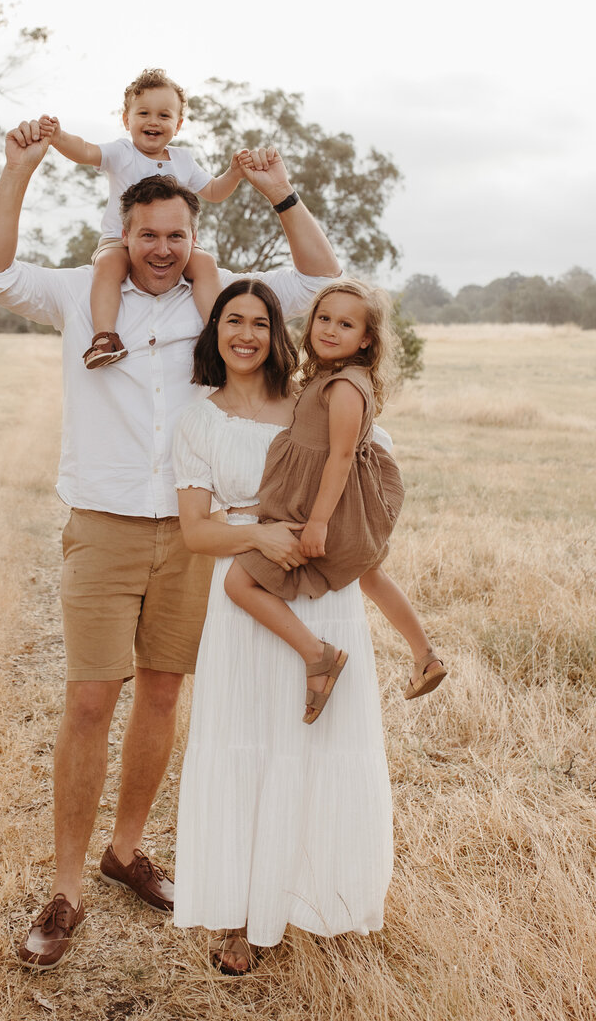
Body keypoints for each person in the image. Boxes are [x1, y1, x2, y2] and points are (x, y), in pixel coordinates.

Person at [0, 126, 342, 971]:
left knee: (164, 696)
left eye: (178, 235)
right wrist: (16, 173)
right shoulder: (78, 295)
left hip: (194, 534)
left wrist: (280, 189)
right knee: (91, 703)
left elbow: (321, 279)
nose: (163, 249)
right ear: (122, 236)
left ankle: (126, 851)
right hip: (101, 526)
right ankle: (64, 892)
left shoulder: (224, 303)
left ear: (193, 237)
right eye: (148, 235)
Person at [173, 279, 393, 975]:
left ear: (277, 335)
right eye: (232, 321)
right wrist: (259, 539)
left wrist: (333, 532)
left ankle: (312, 898)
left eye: (260, 322)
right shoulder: (197, 420)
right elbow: (193, 534)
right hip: (248, 592)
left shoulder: (311, 400)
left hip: (318, 586)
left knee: (315, 751)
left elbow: (361, 466)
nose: (246, 334)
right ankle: (241, 920)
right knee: (247, 749)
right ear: (215, 335)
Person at [225, 279, 446, 723]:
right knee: (371, 574)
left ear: (366, 338)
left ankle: (318, 655)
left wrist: (318, 522)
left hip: (325, 505)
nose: (329, 329)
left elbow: (342, 455)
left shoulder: (345, 385)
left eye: (345, 324)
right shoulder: (330, 376)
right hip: (330, 500)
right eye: (323, 318)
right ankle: (425, 655)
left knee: (238, 583)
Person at [38, 67, 244, 368]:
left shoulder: (183, 159)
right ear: (127, 120)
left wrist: (234, 172)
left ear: (179, 124)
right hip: (118, 240)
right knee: (108, 265)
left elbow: (213, 190)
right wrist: (58, 137)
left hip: (170, 243)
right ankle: (104, 338)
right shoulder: (122, 152)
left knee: (205, 263)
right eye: (143, 113)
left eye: (164, 115)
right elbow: (85, 151)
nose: (153, 121)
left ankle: (215, 335)